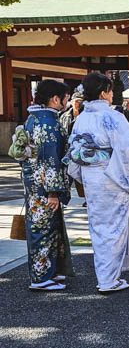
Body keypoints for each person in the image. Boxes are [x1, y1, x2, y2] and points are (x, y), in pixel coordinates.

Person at [64, 72, 129, 293]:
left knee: (98, 227)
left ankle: (106, 275)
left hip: (91, 177)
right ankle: (108, 279)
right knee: (114, 227)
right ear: (103, 93)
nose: (112, 96)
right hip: (112, 175)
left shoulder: (81, 118)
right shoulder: (112, 117)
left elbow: (74, 150)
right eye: (110, 91)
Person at [10, 79, 73, 291]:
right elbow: (50, 160)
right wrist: (54, 191)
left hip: (33, 181)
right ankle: (40, 277)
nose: (67, 101)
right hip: (45, 185)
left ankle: (49, 272)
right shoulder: (49, 124)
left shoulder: (32, 119)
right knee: (43, 229)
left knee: (45, 227)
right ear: (55, 99)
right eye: (65, 98)